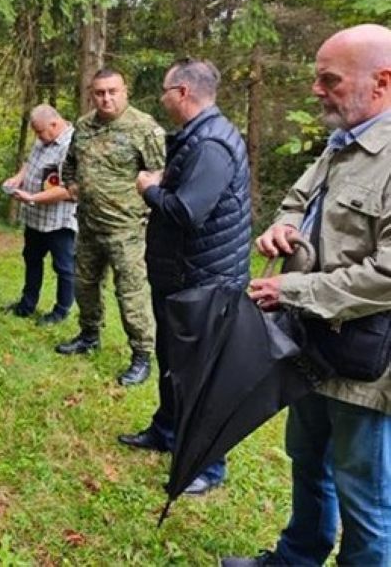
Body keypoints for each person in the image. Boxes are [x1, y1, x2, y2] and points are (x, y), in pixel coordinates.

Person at [224, 24, 391, 567]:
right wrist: (284, 225)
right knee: (307, 460)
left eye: (330, 79)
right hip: (313, 345)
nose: (317, 90)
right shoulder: (342, 144)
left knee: (364, 495)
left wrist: (292, 288)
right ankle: (296, 557)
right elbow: (297, 199)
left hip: (367, 367)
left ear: (382, 82)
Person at [116, 58, 251, 497]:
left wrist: (149, 189)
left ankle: (207, 466)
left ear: (182, 93)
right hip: (182, 275)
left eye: (164, 91)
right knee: (173, 362)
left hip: (205, 282)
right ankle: (166, 431)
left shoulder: (212, 144)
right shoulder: (197, 136)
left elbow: (188, 212)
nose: (161, 99)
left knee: (201, 376)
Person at [55, 69, 165, 386]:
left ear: (125, 91)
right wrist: (71, 184)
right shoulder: (84, 126)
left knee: (131, 293)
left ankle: (141, 355)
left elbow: (162, 173)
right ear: (92, 94)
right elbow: (70, 162)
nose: (106, 99)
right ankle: (88, 335)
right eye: (99, 93)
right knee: (84, 283)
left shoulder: (144, 128)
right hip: (88, 224)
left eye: (112, 91)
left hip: (126, 229)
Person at [1, 104, 77, 325]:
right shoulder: (43, 138)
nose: (37, 136)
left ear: (54, 124)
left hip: (59, 221)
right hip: (35, 218)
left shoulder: (72, 146)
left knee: (64, 267)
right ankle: (27, 304)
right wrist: (17, 179)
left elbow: (69, 190)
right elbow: (30, 163)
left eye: (40, 131)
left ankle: (61, 311)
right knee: (32, 259)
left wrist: (33, 198)